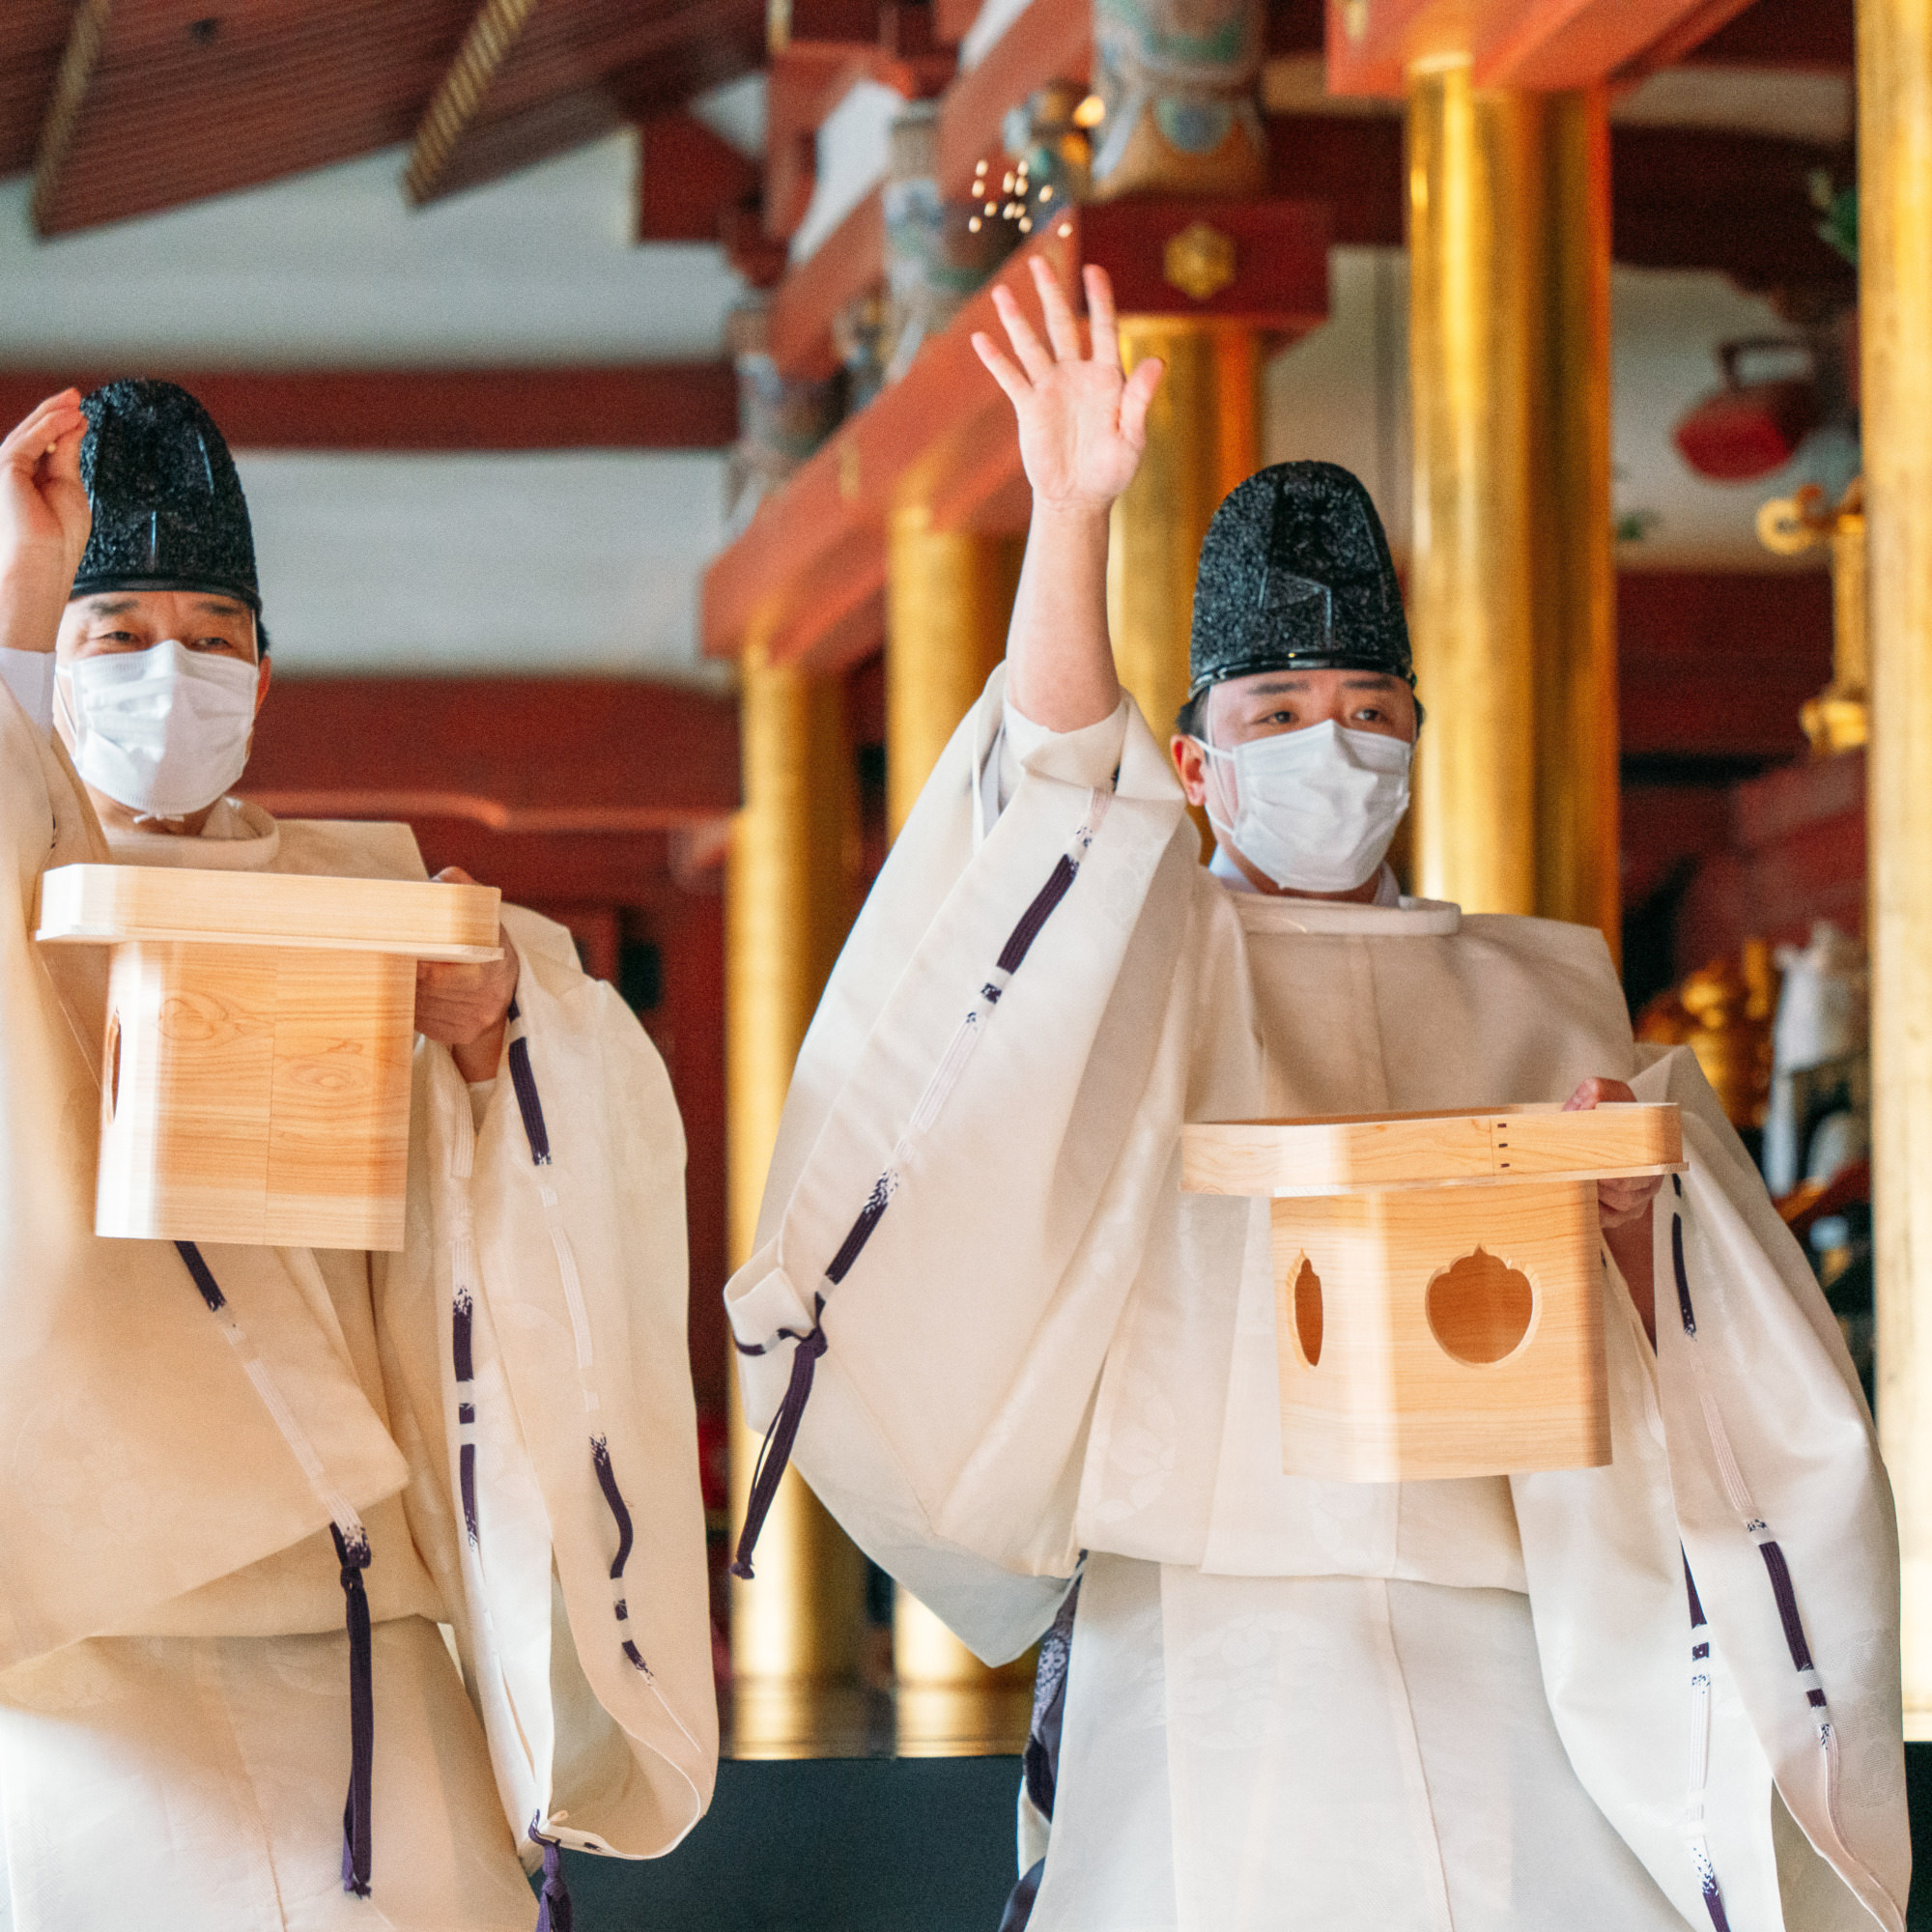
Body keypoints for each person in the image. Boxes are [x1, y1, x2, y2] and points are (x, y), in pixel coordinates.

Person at [724, 260, 1908, 1931]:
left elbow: (1687, 1350)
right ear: (1197, 761)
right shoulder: (1142, 967)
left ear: (1416, 736)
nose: (1330, 744)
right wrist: (1069, 517)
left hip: (1509, 1635)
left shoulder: (1541, 986)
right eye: (1276, 712)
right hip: (1211, 1633)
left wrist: (1641, 1236)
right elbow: (1048, 809)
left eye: (1367, 710)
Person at [0, 381, 715, 1930]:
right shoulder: (19, 897)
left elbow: (574, 1133)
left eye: (211, 635)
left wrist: (492, 1035)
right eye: (114, 636)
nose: (167, 672)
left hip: (358, 1627)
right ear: (46, 668)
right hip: (86, 1639)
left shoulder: (381, 904)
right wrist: (13, 597)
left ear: (265, 678)